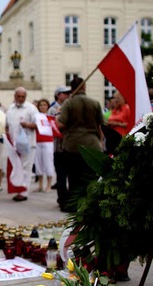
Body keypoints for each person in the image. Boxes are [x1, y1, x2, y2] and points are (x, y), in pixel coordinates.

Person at [57, 77, 104, 212]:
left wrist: (57, 118)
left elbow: (61, 124)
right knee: (90, 176)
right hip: (92, 144)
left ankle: (74, 205)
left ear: (72, 88)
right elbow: (101, 124)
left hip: (73, 145)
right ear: (84, 87)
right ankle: (90, 204)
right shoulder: (95, 103)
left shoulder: (69, 103)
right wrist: (100, 142)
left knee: (73, 176)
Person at [5, 87, 39, 202]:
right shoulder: (10, 108)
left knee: (26, 167)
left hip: (28, 143)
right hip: (14, 143)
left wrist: (28, 125)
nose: (20, 98)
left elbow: (39, 124)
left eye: (23, 97)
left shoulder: (31, 108)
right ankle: (18, 188)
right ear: (14, 96)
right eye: (18, 96)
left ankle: (24, 192)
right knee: (17, 167)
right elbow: (7, 125)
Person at [48, 85, 70, 209]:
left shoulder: (69, 107)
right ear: (58, 95)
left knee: (70, 175)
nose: (68, 95)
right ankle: (62, 198)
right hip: (59, 147)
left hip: (70, 146)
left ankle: (69, 197)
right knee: (61, 175)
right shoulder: (53, 109)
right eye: (65, 93)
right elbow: (52, 126)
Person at [34, 99, 55, 192]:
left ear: (48, 106)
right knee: (38, 164)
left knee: (48, 163)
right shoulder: (36, 117)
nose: (43, 107)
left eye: (45, 105)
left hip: (48, 141)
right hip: (38, 141)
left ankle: (49, 185)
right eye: (41, 105)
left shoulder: (51, 117)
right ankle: (40, 185)